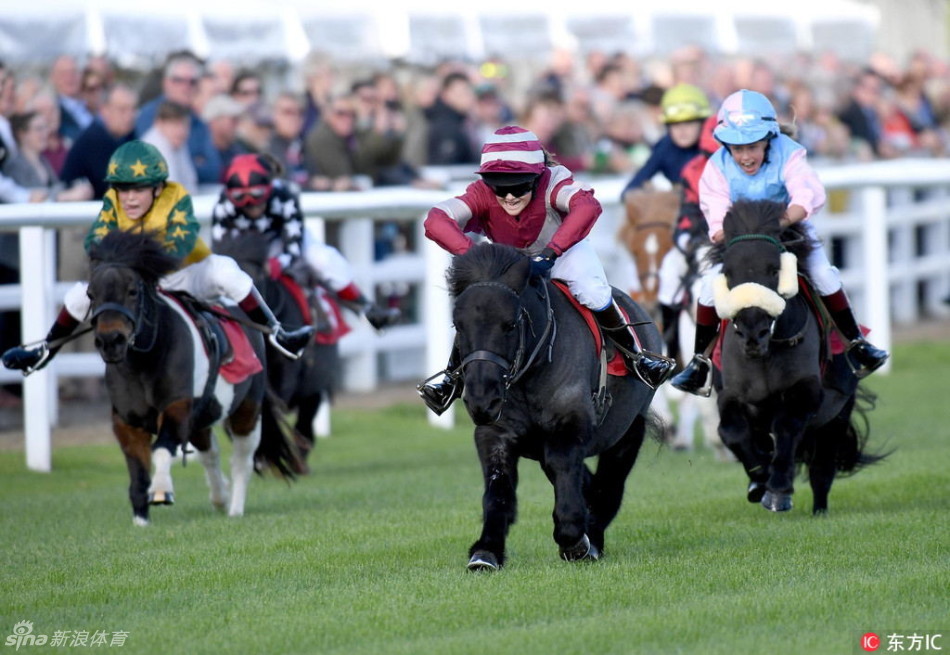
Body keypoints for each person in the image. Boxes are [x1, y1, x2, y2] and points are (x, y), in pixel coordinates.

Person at [417, 126, 675, 414]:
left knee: (593, 291)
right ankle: (452, 378)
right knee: (482, 307)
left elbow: (587, 207)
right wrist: (474, 254)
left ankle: (638, 358)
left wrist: (551, 252)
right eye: (500, 187)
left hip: (564, 252)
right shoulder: (480, 192)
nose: (510, 196)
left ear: (538, 177)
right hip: (509, 261)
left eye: (520, 186)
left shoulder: (554, 182)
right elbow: (436, 219)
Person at [1, 141, 314, 376]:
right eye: (123, 190)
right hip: (134, 280)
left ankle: (277, 334)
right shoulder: (112, 202)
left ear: (158, 187)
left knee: (228, 271)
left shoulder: (175, 196)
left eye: (138, 190)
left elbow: (177, 247)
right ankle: (44, 350)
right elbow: (95, 242)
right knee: (78, 294)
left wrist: (124, 255)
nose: (129, 198)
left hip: (186, 274)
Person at [671, 90, 889, 396]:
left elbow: (805, 197)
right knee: (708, 287)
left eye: (752, 147)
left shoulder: (790, 152)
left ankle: (857, 344)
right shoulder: (715, 168)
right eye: (737, 148)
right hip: (740, 241)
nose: (745, 156)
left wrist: (776, 222)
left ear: (768, 139)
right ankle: (699, 364)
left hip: (790, 230)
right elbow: (718, 226)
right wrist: (750, 231)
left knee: (824, 274)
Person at [211, 153, 400, 331]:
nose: (250, 204)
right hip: (246, 248)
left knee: (321, 258)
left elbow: (294, 243)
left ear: (269, 188)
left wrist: (279, 262)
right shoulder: (223, 205)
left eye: (257, 194)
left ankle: (364, 307)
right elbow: (219, 248)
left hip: (282, 241)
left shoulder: (284, 195)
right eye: (239, 197)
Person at [620, 83, 711, 199]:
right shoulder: (664, 148)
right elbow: (629, 191)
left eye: (689, 122)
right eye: (675, 124)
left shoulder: (716, 148)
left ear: (703, 123)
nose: (682, 130)